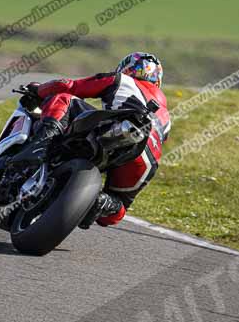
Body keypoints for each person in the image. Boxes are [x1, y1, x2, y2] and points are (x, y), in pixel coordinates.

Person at [25, 52, 170, 228]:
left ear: (127, 69)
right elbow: (163, 139)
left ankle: (40, 146)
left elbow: (70, 86)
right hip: (147, 160)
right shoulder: (166, 114)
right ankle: (101, 202)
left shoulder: (120, 79)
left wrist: (39, 90)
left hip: (121, 127)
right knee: (116, 208)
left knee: (64, 98)